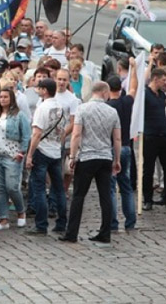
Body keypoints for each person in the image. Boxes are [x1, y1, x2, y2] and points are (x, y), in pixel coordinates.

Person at [59, 82, 121, 244]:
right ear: (104, 92)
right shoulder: (112, 111)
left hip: (87, 157)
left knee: (79, 196)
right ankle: (105, 232)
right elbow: (117, 138)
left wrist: (73, 156)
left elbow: (76, 134)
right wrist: (117, 159)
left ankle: (71, 233)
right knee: (105, 196)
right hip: (105, 157)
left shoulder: (82, 109)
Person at [26, 78, 68, 235]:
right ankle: (61, 222)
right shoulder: (60, 107)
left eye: (39, 88)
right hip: (56, 151)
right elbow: (62, 131)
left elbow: (37, 134)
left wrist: (30, 155)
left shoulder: (42, 108)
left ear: (44, 90)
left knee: (39, 189)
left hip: (42, 150)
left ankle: (41, 225)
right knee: (59, 189)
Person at [0, 88, 31, 231]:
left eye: (6, 97)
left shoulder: (19, 115)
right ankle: (4, 218)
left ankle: (21, 212)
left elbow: (26, 135)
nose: (3, 99)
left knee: (12, 187)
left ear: (11, 98)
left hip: (12, 155)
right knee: (0, 188)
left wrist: (22, 152)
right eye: (1, 97)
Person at [143, 68, 166, 211]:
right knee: (148, 169)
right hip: (151, 135)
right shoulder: (145, 94)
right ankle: (147, 199)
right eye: (164, 80)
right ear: (155, 79)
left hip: (165, 134)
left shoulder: (161, 94)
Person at [107, 62, 138, 232]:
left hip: (112, 148)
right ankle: (130, 221)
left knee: (111, 187)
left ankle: (112, 223)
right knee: (126, 186)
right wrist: (134, 69)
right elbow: (133, 88)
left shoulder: (107, 107)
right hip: (126, 146)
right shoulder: (126, 102)